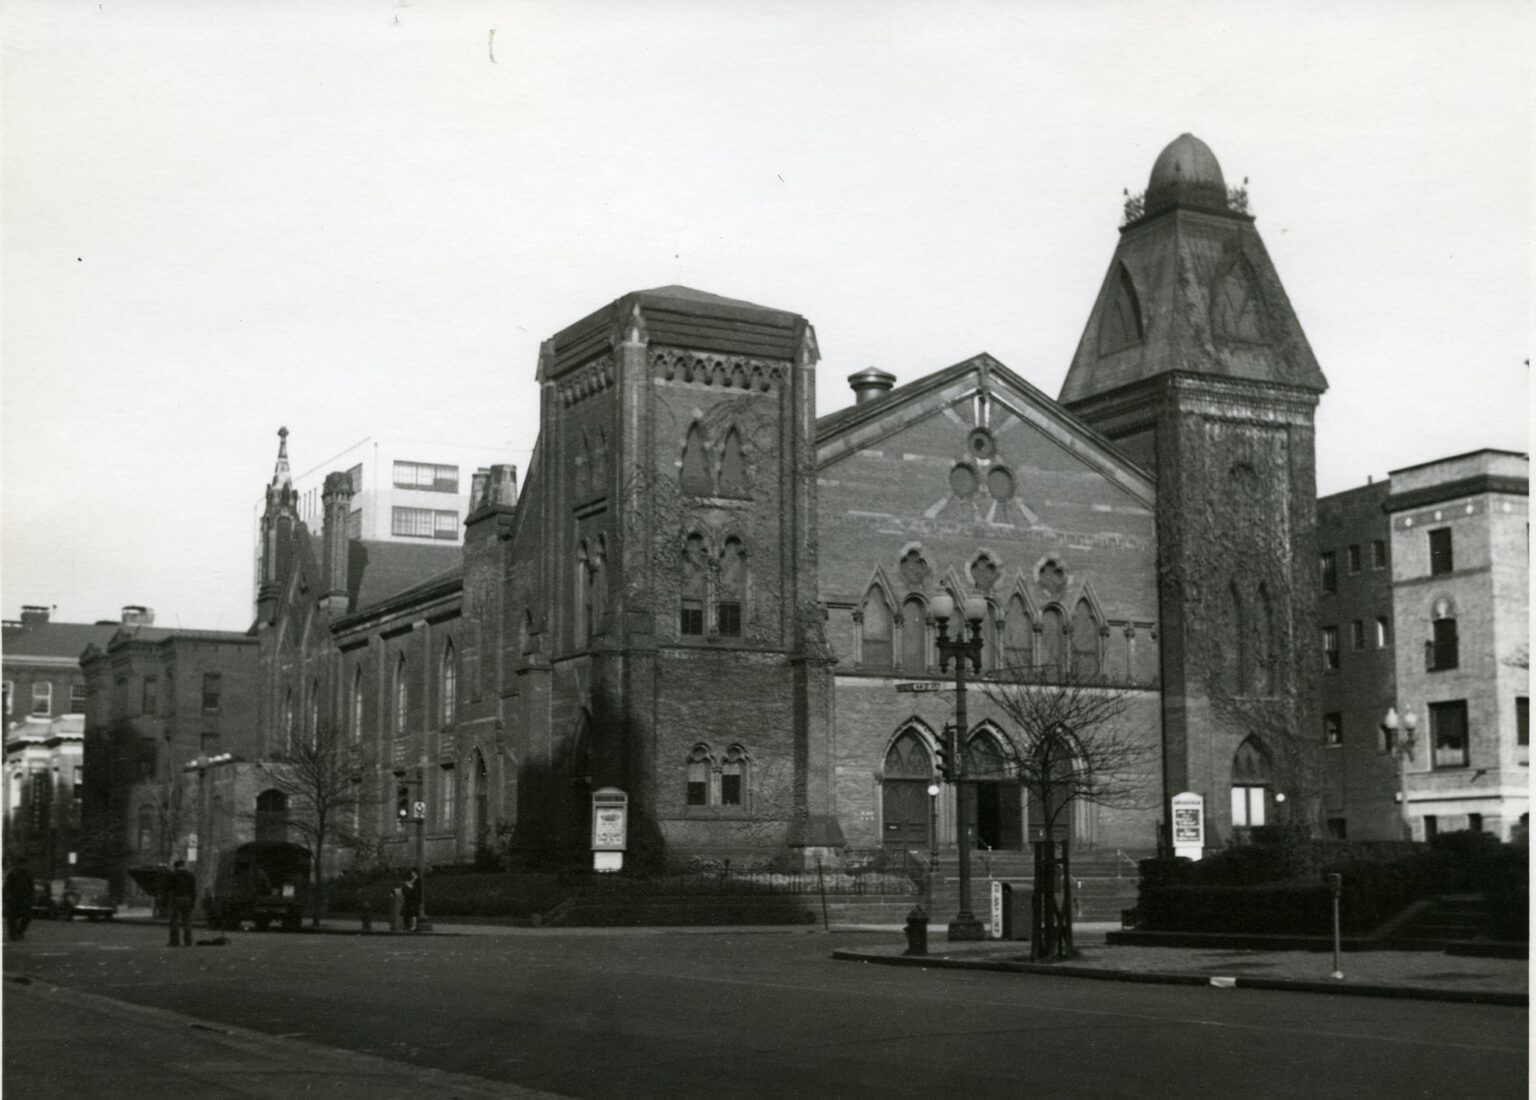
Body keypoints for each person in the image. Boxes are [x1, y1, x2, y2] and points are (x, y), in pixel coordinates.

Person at [166, 859, 197, 947]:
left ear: (176, 866)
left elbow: (168, 888)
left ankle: (175, 941)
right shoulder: (190, 875)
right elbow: (193, 890)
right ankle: (188, 941)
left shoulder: (173, 875)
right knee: (187, 921)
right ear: (183, 865)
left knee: (174, 920)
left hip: (176, 898)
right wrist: (193, 901)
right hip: (187, 899)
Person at [3, 858, 35, 943]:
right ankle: (13, 935)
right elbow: (6, 887)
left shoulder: (28, 875)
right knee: (12, 919)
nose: (23, 866)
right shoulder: (12, 874)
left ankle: (20, 931)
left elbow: (31, 887)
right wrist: (7, 898)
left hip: (24, 900)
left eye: (24, 864)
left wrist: (31, 898)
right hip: (13, 899)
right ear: (18, 864)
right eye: (21, 864)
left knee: (27, 916)